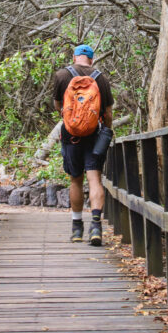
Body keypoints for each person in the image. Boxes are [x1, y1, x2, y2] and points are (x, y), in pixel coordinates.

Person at [52, 44, 114, 245]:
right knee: (94, 179)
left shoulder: (61, 75)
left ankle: (77, 228)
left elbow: (58, 107)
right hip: (94, 135)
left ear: (74, 57)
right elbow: (109, 113)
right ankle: (96, 227)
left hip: (71, 136)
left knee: (75, 180)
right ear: (92, 59)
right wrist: (105, 132)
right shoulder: (101, 78)